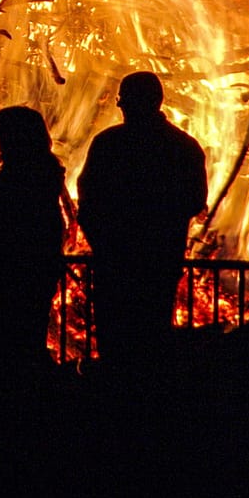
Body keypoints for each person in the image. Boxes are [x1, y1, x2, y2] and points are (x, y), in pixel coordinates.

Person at [77, 71, 207, 368]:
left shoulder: (107, 145)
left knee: (115, 342)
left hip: (115, 262)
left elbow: (88, 199)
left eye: (123, 101)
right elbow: (195, 201)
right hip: (161, 261)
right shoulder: (183, 147)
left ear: (124, 103)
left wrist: (102, 241)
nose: (122, 107)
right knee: (153, 340)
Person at [0, 106, 67, 374]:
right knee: (29, 333)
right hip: (37, 264)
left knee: (18, 336)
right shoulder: (44, 170)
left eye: (1, 134)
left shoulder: (23, 176)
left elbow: (9, 225)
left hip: (18, 267)